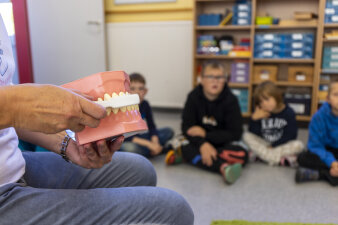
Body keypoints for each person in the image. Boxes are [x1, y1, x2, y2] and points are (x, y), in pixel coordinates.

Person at [0, 14, 194, 224]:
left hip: (13, 163)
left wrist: (67, 145)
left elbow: (10, 114)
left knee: (141, 169)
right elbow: (11, 109)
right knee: (174, 210)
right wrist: (21, 104)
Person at [166, 61, 248, 185]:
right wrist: (202, 144)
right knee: (179, 142)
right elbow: (186, 127)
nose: (215, 81)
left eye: (219, 77)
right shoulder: (193, 97)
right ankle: (223, 167)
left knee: (242, 154)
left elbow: (236, 133)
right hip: (197, 142)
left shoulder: (231, 100)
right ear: (201, 79)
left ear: (225, 80)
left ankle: (188, 157)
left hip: (221, 143)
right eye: (210, 76)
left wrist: (206, 135)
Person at [243, 81, 304, 166]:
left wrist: (274, 146)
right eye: (261, 102)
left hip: (280, 145)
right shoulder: (260, 111)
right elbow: (254, 133)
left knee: (299, 145)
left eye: (267, 99)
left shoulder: (288, 112)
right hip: (265, 143)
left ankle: (263, 156)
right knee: (245, 136)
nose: (264, 104)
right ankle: (277, 159)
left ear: (276, 97)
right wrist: (254, 119)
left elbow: (291, 135)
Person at [119, 73, 174, 157]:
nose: (137, 92)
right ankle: (159, 150)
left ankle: (153, 150)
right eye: (133, 89)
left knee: (168, 131)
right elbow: (124, 136)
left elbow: (152, 127)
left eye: (140, 89)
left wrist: (154, 142)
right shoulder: (124, 108)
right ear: (127, 92)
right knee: (127, 148)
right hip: (128, 140)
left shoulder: (145, 105)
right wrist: (149, 144)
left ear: (145, 91)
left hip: (141, 138)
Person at [296, 79, 338, 186]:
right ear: (328, 99)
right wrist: (332, 162)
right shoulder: (318, 117)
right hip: (324, 150)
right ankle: (332, 174)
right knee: (302, 158)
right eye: (336, 94)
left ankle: (321, 175)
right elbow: (315, 146)